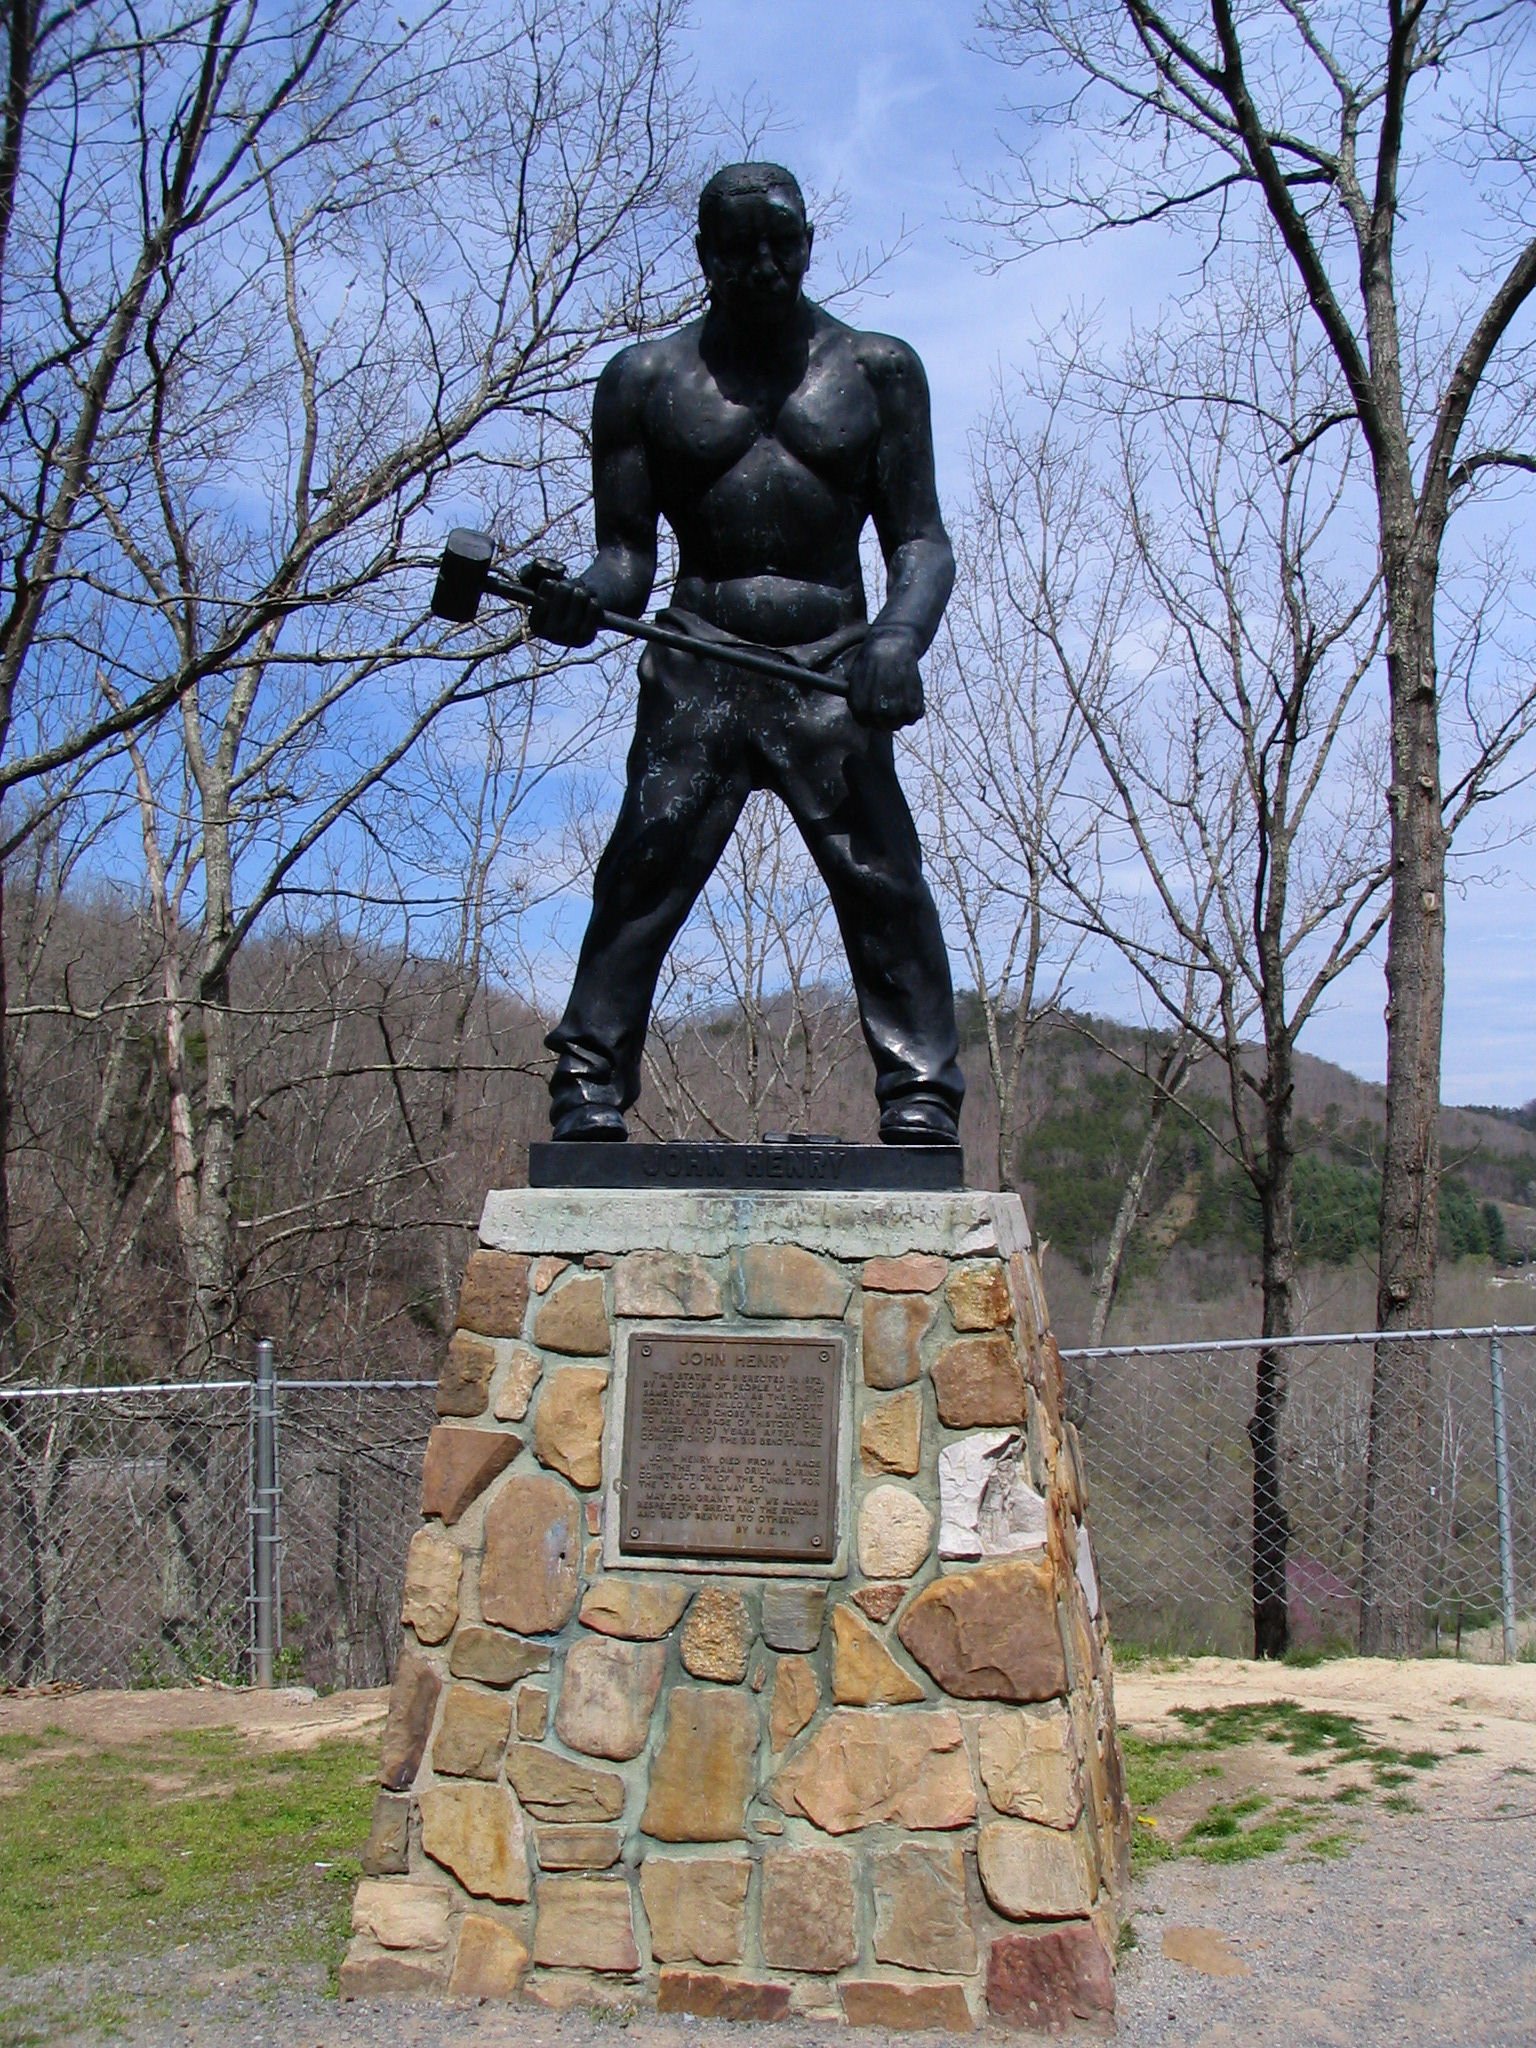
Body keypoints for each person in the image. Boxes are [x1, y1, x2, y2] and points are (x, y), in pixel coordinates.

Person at [529, 161, 964, 1145]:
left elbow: (920, 541)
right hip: (700, 654)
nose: (764, 266)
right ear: (704, 255)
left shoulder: (878, 370)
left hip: (831, 662)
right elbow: (625, 562)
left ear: (809, 243)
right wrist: (578, 600)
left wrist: (899, 638)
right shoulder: (644, 381)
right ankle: (587, 1075)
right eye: (740, 248)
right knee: (645, 861)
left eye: (784, 243)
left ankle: (922, 1086)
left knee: (881, 875)